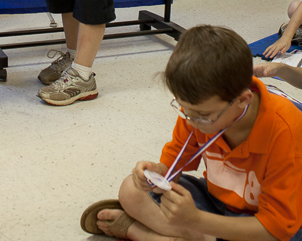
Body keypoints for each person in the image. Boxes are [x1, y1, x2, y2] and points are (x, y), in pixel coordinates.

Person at [80, 25, 302, 241]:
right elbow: (173, 164)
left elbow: (276, 229)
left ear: (243, 100)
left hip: (273, 220)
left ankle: (141, 232)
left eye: (202, 115)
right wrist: (158, 174)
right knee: (131, 189)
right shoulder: (197, 108)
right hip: (217, 203)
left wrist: (196, 220)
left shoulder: (285, 130)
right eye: (184, 109)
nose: (191, 121)